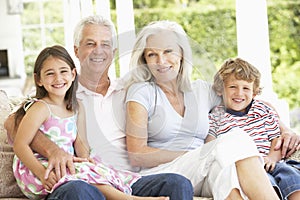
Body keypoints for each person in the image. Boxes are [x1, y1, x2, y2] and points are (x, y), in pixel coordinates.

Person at [5, 16, 193, 200]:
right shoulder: (59, 92)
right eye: (90, 44)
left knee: (177, 183)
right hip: (78, 183)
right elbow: (13, 122)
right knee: (79, 191)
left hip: (120, 178)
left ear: (114, 50)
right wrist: (52, 150)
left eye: (105, 44)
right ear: (76, 51)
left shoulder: (131, 89)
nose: (98, 51)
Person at [123, 20, 286, 199]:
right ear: (144, 60)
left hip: (202, 169)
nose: (161, 61)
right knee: (236, 138)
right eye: (152, 54)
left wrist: (284, 129)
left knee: (226, 173)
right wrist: (198, 154)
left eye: (168, 51)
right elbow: (137, 154)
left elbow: (247, 101)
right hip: (163, 172)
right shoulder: (141, 92)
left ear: (182, 54)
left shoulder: (201, 90)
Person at [205, 57, 300, 200]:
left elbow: (276, 140)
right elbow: (209, 145)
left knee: (290, 175)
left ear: (254, 93)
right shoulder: (216, 116)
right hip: (246, 171)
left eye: (246, 88)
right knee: (267, 183)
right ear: (220, 90)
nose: (239, 93)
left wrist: (271, 159)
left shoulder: (262, 110)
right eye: (232, 87)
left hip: (272, 162)